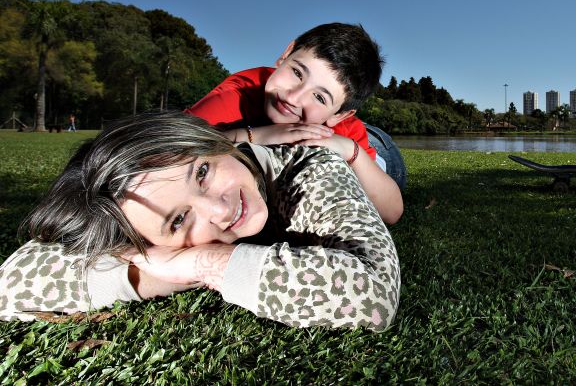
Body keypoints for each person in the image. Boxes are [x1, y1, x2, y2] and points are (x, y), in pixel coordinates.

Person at [0, 111, 400, 331]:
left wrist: (203, 261)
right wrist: (161, 267)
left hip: (375, 154)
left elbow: (374, 295)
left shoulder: (311, 166)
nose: (220, 210)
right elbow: (10, 284)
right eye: (178, 221)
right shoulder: (133, 228)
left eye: (203, 173)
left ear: (217, 143)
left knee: (367, 152)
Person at [187, 23, 406, 225]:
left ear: (340, 115)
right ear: (285, 55)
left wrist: (351, 150)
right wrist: (254, 135)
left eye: (319, 97)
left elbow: (391, 211)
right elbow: (167, 151)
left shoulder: (345, 130)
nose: (293, 98)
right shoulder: (239, 93)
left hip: (379, 149)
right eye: (297, 72)